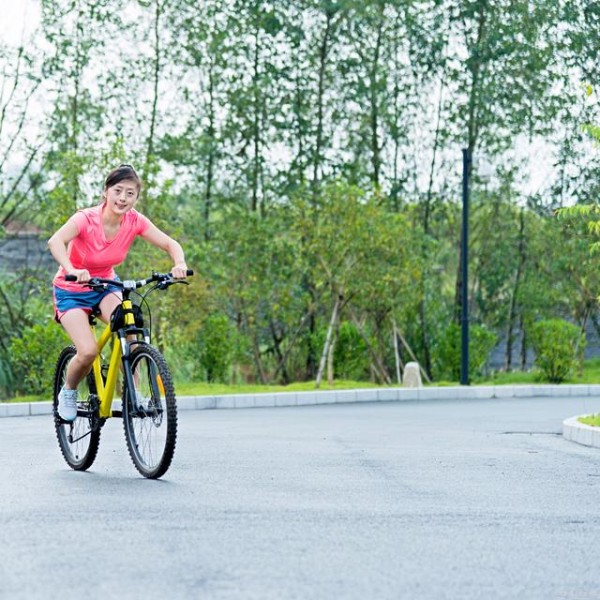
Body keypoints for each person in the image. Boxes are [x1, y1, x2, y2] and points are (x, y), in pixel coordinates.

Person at [48, 164, 188, 421]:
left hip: (106, 286)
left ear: (136, 197)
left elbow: (170, 243)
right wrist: (71, 268)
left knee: (131, 331)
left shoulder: (135, 221)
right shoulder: (86, 219)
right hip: (71, 290)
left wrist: (179, 264)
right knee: (88, 351)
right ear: (106, 191)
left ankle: (132, 394)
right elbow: (55, 241)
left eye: (130, 193)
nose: (123, 198)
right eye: (118, 191)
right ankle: (68, 391)